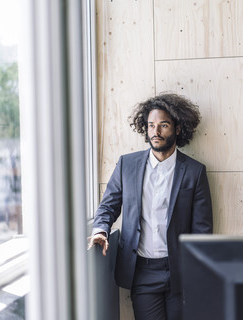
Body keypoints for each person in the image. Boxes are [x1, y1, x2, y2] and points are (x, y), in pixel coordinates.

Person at [88, 93, 213, 320]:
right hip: (141, 271)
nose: (155, 132)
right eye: (151, 125)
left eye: (163, 125)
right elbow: (109, 205)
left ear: (177, 129)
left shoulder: (195, 172)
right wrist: (100, 229)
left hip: (180, 271)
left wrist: (198, 274)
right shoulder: (127, 164)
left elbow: (202, 230)